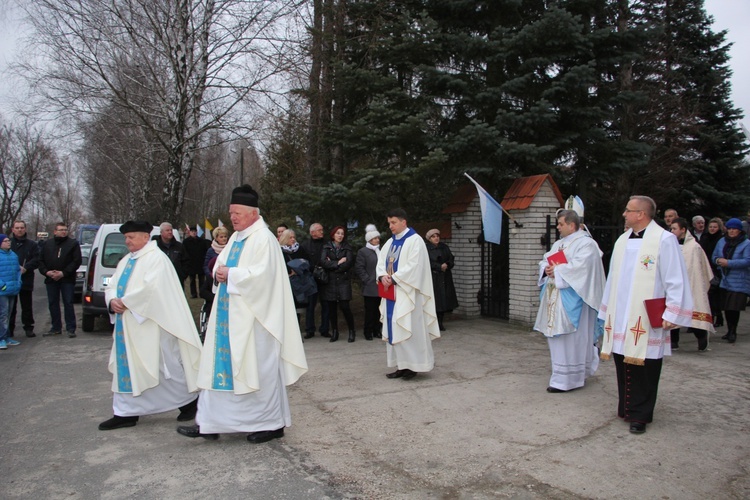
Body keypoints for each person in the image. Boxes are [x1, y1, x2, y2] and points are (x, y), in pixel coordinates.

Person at [177, 184, 307, 443]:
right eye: (231, 212)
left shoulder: (264, 239)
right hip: (228, 317)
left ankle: (271, 423)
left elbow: (265, 278)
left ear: (252, 213)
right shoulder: (237, 237)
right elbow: (219, 266)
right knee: (220, 368)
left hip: (257, 321)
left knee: (257, 371)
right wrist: (219, 272)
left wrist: (231, 275)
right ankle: (210, 423)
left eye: (237, 212)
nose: (232, 217)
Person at [599, 196, 692, 434]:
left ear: (641, 214)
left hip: (646, 315)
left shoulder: (664, 240)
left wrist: (672, 311)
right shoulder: (622, 240)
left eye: (628, 211)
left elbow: (675, 277)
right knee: (622, 360)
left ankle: (641, 415)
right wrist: (606, 309)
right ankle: (627, 408)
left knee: (646, 365)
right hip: (621, 314)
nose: (624, 214)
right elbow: (613, 278)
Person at [98, 221, 203, 431]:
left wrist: (125, 302)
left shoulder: (156, 259)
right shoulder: (126, 261)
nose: (127, 241)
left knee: (159, 368)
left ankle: (189, 402)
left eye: (131, 237)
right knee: (128, 367)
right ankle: (125, 412)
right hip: (128, 325)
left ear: (146, 237)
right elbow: (112, 284)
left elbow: (153, 290)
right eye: (126, 237)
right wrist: (112, 300)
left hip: (152, 325)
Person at [533, 210, 605, 393]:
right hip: (554, 300)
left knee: (572, 339)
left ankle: (570, 379)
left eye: (560, 224)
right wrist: (547, 268)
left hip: (575, 301)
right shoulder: (559, 243)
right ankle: (561, 376)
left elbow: (582, 269)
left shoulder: (587, 244)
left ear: (572, 225)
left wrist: (557, 270)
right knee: (557, 340)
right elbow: (545, 260)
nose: (557, 227)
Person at [377, 208, 440, 380]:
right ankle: (401, 365)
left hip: (408, 293)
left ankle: (414, 366)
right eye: (389, 222)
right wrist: (382, 276)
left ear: (403, 222)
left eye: (393, 222)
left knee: (408, 327)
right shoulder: (390, 243)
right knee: (395, 329)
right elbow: (381, 262)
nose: (390, 226)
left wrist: (394, 278)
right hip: (392, 293)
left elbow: (415, 266)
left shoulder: (415, 241)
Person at [669, 218, 714, 351]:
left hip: (691, 284)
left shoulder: (694, 247)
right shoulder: (669, 245)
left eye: (674, 229)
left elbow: (701, 269)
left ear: (683, 230)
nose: (672, 231)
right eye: (671, 229)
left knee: (693, 313)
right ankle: (673, 341)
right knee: (673, 313)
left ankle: (701, 337)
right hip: (674, 285)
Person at [38, 222, 82, 338]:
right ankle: (56, 327)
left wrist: (63, 273)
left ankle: (71, 328)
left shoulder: (73, 244)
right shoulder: (47, 244)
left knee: (68, 302)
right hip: (51, 278)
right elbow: (40, 260)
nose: (64, 232)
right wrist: (46, 272)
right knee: (53, 303)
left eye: (65, 230)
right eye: (61, 230)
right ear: (55, 231)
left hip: (66, 279)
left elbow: (76, 261)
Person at [711, 218, 750, 344]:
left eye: (734, 229)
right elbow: (714, 256)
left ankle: (733, 331)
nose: (732, 231)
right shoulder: (722, 241)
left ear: (739, 230)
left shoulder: (746, 243)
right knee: (727, 307)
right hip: (725, 280)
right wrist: (718, 261)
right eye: (730, 228)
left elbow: (747, 261)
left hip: (739, 280)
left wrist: (729, 263)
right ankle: (729, 330)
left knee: (734, 308)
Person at [320, 226, 356, 342]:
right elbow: (323, 262)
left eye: (342, 233)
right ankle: (335, 331)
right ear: (333, 235)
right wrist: (338, 263)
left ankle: (352, 330)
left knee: (345, 307)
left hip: (343, 282)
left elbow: (348, 263)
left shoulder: (347, 248)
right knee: (332, 309)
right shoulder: (327, 246)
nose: (340, 235)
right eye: (338, 233)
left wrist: (333, 265)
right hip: (330, 282)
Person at [9, 220, 40, 338]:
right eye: (17, 228)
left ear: (25, 229)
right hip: (11, 279)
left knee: (27, 305)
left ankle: (28, 327)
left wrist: (26, 267)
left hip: (26, 278)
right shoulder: (8, 243)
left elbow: (37, 259)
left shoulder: (32, 244)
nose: (19, 230)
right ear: (13, 230)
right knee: (11, 306)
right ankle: (9, 329)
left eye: (22, 228)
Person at [425, 228, 459, 331]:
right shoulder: (426, 249)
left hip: (445, 276)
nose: (436, 238)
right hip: (433, 277)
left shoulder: (444, 247)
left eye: (437, 236)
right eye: (433, 237)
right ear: (429, 239)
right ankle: (432, 322)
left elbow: (451, 258)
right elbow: (426, 262)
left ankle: (440, 322)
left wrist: (447, 264)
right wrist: (438, 266)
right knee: (435, 300)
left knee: (444, 300)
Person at [300, 223, 330, 339]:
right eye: (319, 230)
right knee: (310, 305)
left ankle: (325, 329)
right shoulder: (305, 245)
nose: (322, 232)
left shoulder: (327, 244)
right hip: (311, 278)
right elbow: (303, 261)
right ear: (312, 232)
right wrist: (313, 269)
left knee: (326, 304)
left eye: (322, 230)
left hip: (324, 278)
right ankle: (309, 330)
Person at [355, 226, 381, 341]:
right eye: (375, 238)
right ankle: (368, 331)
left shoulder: (380, 251)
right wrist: (367, 279)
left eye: (378, 238)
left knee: (379, 310)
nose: (377, 240)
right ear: (369, 240)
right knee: (370, 310)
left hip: (380, 285)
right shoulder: (363, 252)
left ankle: (377, 330)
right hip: (370, 286)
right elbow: (360, 268)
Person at [701, 218, 726, 327]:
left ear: (719, 227)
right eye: (711, 227)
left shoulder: (721, 239)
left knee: (714, 295)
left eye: (715, 227)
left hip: (716, 269)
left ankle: (717, 316)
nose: (712, 229)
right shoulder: (705, 237)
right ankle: (713, 316)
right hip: (705, 267)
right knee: (709, 295)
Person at [0, 234, 22, 350]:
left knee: (9, 314)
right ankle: (1, 338)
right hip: (2, 291)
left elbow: (18, 271)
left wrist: (18, 283)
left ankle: (7, 336)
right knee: (2, 315)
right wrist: (2, 285)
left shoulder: (13, 255)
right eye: (5, 241)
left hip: (12, 289)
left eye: (9, 240)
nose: (8, 242)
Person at [183, 226, 210, 299]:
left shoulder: (202, 241)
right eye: (192, 232)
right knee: (192, 280)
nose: (194, 233)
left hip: (200, 262)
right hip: (191, 263)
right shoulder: (186, 242)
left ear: (197, 232)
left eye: (195, 231)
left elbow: (205, 251)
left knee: (201, 280)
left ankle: (202, 293)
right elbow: (184, 252)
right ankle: (194, 294)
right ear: (190, 232)